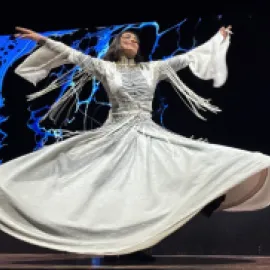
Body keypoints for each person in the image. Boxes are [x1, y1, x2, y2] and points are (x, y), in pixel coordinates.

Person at [0, 25, 269, 262]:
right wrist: (42, 39)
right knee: (120, 193)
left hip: (146, 133)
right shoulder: (105, 68)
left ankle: (204, 198)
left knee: (180, 170)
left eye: (136, 40)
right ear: (117, 45)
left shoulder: (153, 69)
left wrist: (217, 40)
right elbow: (73, 55)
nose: (133, 41)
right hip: (115, 136)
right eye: (127, 38)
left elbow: (188, 57)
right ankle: (120, 246)